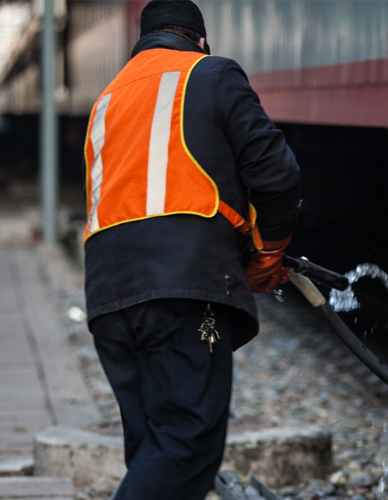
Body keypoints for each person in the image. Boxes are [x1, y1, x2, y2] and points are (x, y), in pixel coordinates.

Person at [81, 1, 301, 498]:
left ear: (142, 42)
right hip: (180, 288)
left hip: (108, 294)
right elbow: (277, 175)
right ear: (201, 40)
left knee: (152, 448)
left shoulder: (107, 99)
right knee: (184, 442)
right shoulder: (212, 73)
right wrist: (267, 255)